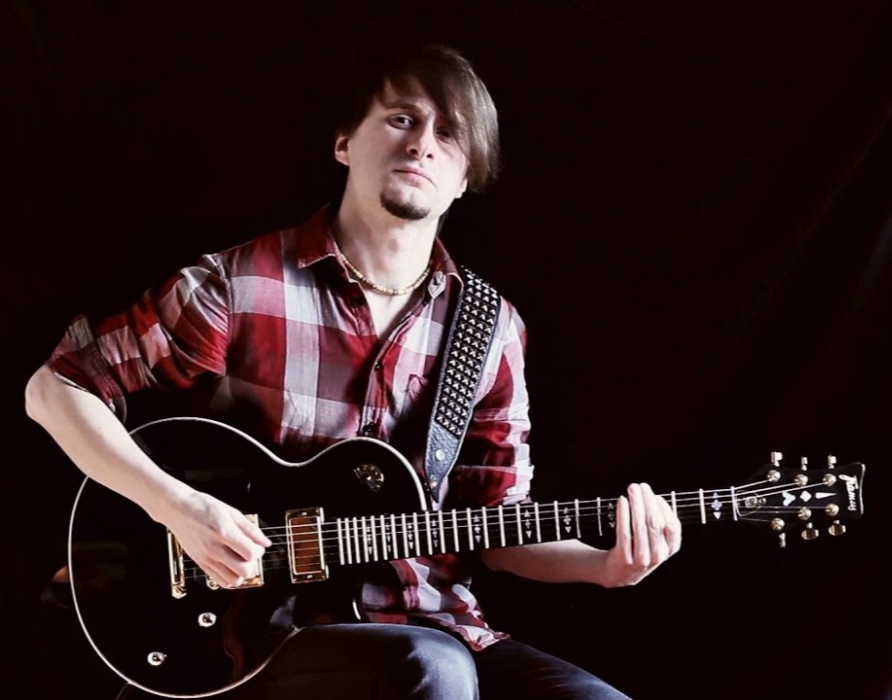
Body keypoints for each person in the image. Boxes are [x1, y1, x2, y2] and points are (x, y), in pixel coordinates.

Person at [25, 43, 681, 699]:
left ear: (465, 178)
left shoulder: (490, 328)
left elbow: (498, 527)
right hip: (259, 636)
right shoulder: (239, 285)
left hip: (439, 625)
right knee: (432, 671)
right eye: (402, 119)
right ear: (344, 142)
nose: (422, 145)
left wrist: (607, 566)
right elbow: (53, 390)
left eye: (449, 135)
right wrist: (179, 507)